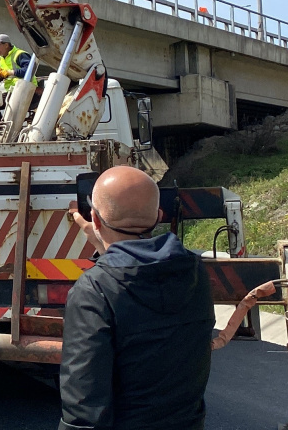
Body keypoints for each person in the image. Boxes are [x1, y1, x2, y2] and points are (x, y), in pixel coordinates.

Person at [59, 166, 215, 430]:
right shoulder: (194, 272)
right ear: (158, 216)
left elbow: (85, 406)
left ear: (95, 220)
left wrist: (105, 252)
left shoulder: (94, 291)